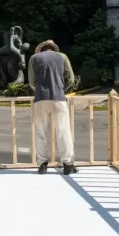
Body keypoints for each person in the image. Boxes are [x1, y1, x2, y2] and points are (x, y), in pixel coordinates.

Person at [28, 40, 77, 175]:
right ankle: (68, 165)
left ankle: (43, 165)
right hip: (59, 98)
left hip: (40, 99)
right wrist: (61, 89)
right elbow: (71, 79)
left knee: (41, 132)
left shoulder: (34, 58)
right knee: (63, 131)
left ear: (41, 50)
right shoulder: (62, 56)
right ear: (53, 49)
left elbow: (32, 82)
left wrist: (39, 90)